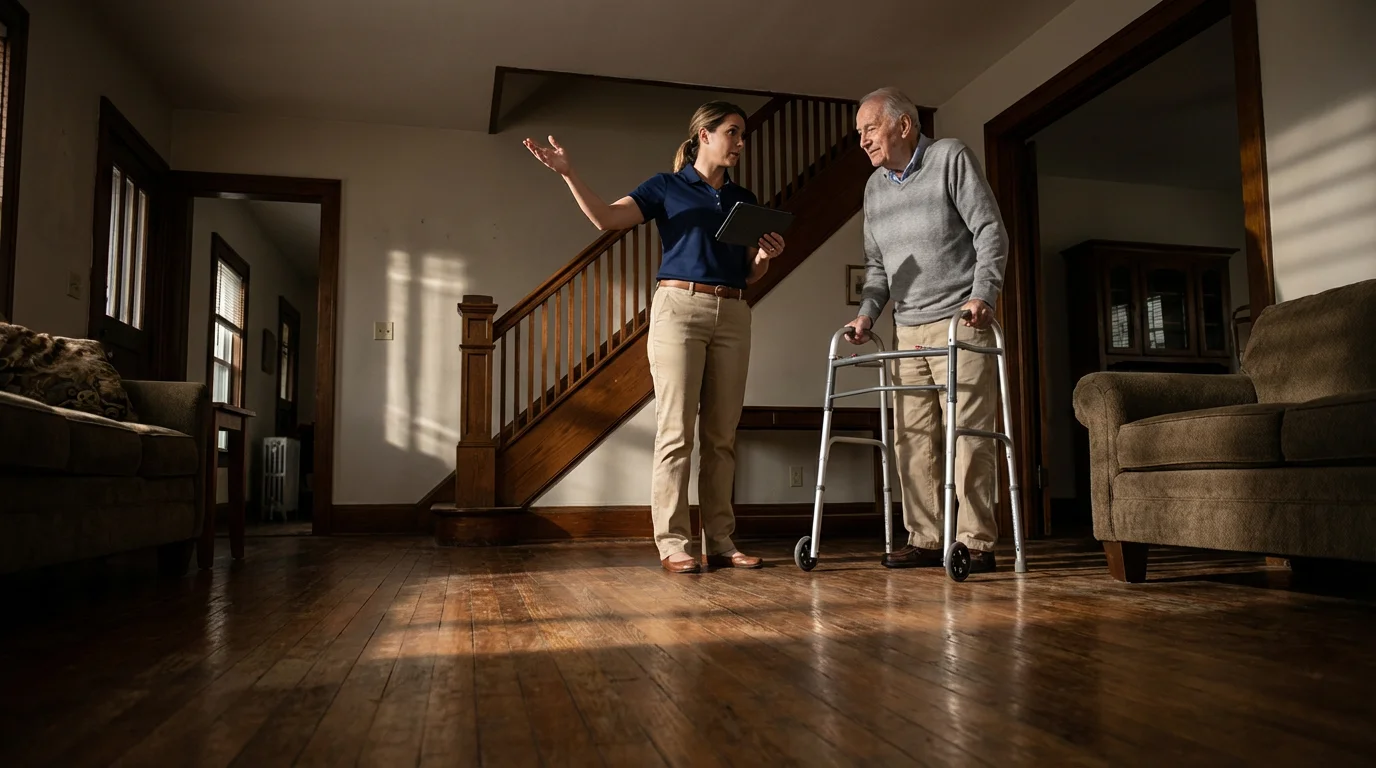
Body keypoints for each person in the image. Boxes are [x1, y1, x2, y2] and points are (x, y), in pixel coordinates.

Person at [524, 102, 786, 574]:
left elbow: (749, 270)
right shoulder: (666, 186)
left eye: (743, 135)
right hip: (678, 310)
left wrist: (765, 258)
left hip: (733, 310)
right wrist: (568, 173)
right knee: (676, 431)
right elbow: (606, 218)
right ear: (704, 135)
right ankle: (672, 542)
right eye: (733, 133)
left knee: (722, 435)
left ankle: (721, 542)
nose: (741, 143)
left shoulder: (744, 197)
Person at [844, 87, 1009, 573]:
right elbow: (877, 268)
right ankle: (926, 538)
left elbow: (989, 230)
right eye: (859, 134)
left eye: (869, 130)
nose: (863, 143)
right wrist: (867, 314)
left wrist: (984, 293)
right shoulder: (874, 189)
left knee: (968, 434)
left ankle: (976, 543)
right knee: (912, 437)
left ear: (903, 125)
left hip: (961, 319)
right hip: (906, 329)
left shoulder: (949, 157)